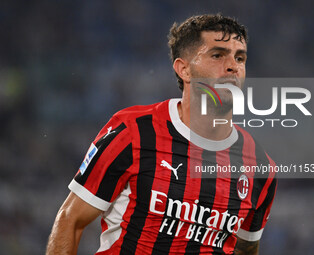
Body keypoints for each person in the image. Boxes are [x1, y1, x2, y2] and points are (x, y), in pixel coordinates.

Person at [46, 14, 277, 255]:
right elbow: (70, 221)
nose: (233, 65)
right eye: (217, 55)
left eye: (240, 57)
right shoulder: (132, 132)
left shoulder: (260, 165)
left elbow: (245, 249)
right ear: (184, 70)